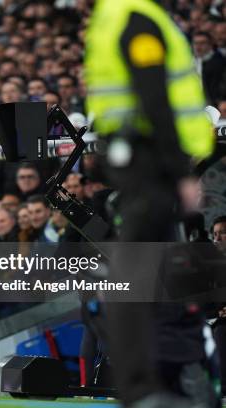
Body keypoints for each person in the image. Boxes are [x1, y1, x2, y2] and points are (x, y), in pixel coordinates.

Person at [85, 1, 215, 406]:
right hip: (149, 155)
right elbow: (153, 91)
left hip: (137, 151)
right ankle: (140, 388)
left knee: (141, 268)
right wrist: (180, 170)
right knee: (136, 269)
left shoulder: (116, 14)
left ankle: (151, 385)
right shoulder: (138, 17)